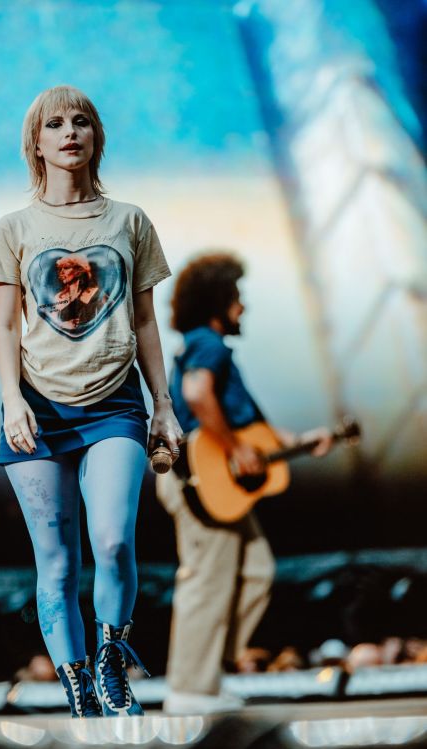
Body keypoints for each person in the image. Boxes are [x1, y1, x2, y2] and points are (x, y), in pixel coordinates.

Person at [0, 85, 182, 718]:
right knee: (57, 564)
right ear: (35, 143)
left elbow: (145, 321)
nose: (70, 132)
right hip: (36, 411)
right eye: (56, 124)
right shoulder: (14, 228)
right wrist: (11, 400)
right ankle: (77, 692)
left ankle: (112, 659)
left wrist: (164, 405)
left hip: (114, 404)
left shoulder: (129, 220)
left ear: (96, 136)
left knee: (115, 540)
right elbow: (7, 326)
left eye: (82, 122)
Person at [156, 252, 332, 714]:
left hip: (220, 486)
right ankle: (189, 690)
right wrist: (234, 449)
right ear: (217, 301)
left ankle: (209, 670)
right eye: (236, 298)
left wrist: (298, 441)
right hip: (198, 479)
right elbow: (197, 395)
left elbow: (248, 427)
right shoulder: (207, 345)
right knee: (207, 580)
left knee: (257, 571)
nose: (242, 308)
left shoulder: (212, 350)